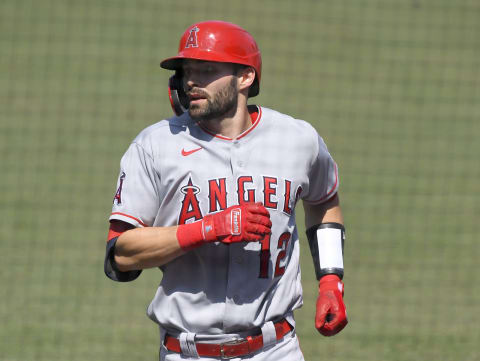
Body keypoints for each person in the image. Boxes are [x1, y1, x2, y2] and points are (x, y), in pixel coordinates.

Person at [105, 20, 348, 361]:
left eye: (206, 70)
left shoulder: (298, 140)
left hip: (276, 350)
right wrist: (207, 229)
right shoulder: (155, 146)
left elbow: (324, 202)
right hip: (187, 352)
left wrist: (330, 281)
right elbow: (120, 255)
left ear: (245, 77)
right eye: (187, 71)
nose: (192, 81)